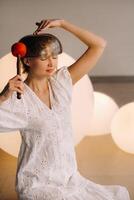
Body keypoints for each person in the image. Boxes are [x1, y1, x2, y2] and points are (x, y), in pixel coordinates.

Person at [0, 19, 130, 200]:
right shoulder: (20, 99)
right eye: (44, 58)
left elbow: (98, 45)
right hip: (36, 184)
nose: (51, 63)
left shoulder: (61, 82)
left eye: (54, 56)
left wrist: (62, 24)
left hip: (69, 179)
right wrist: (3, 96)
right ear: (27, 60)